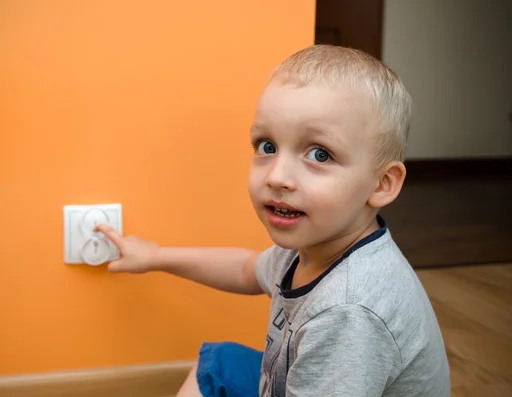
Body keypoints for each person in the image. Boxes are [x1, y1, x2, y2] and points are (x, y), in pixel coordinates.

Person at [95, 45, 451, 397]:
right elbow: (247, 269)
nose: (277, 176)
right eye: (267, 146)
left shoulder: (348, 313)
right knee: (221, 364)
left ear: (381, 184)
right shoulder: (313, 244)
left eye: (319, 154)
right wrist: (155, 256)